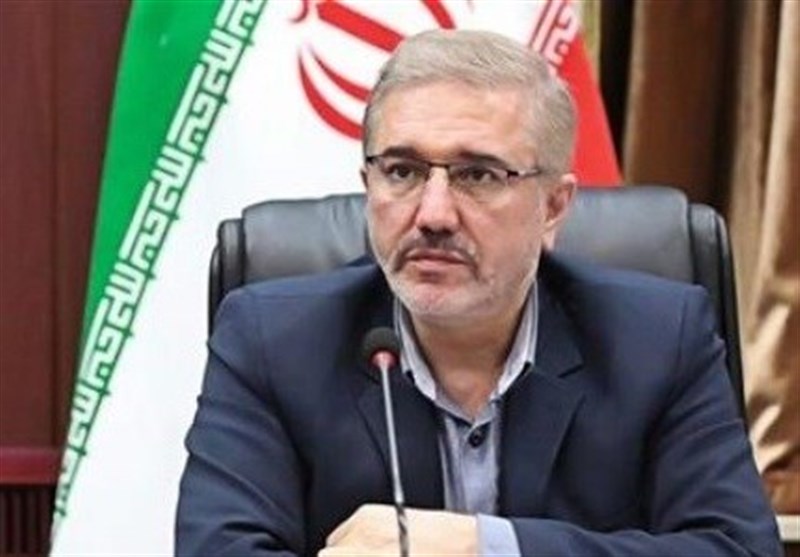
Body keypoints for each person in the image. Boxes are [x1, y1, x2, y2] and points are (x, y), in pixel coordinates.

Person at [176, 30, 781, 556]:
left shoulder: (660, 339)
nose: (433, 214)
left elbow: (737, 548)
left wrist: (484, 546)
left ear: (554, 206)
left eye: (479, 175)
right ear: (368, 185)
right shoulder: (272, 341)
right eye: (403, 171)